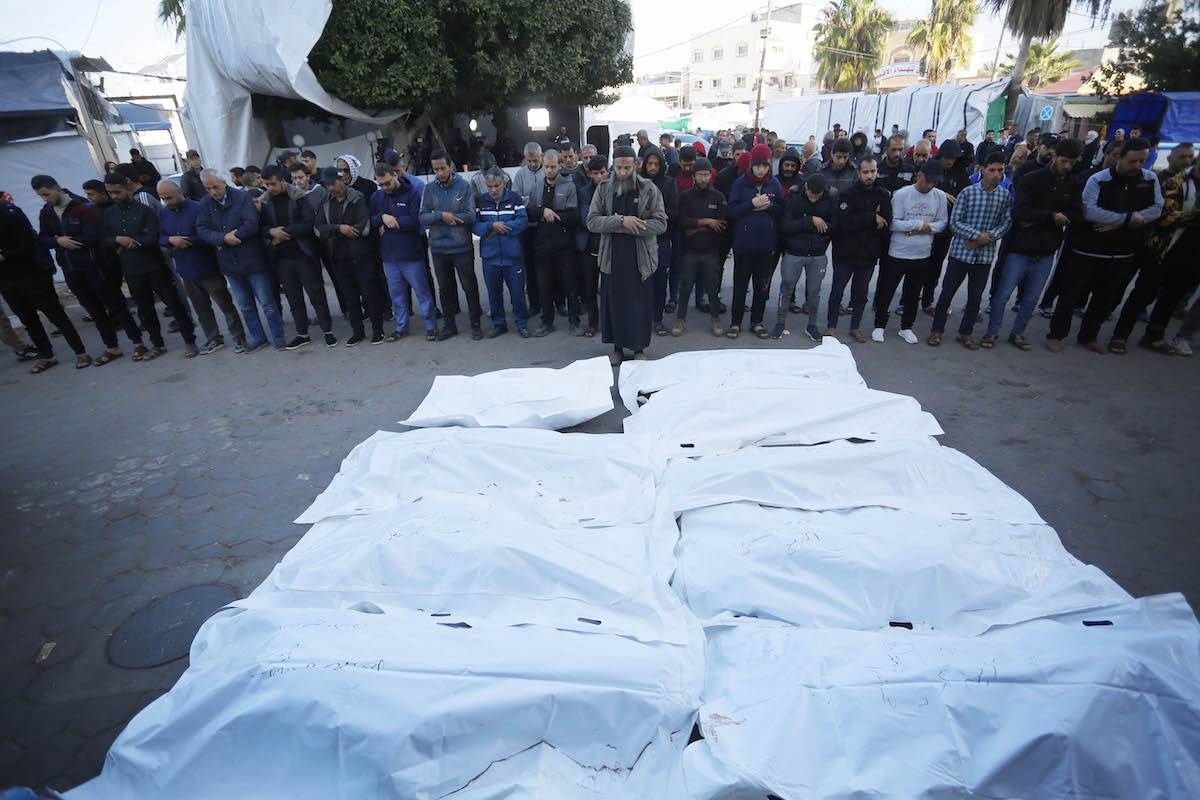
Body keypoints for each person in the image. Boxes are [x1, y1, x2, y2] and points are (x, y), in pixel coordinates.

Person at [1046, 138, 1162, 353]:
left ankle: (1089, 336)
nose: (1137, 166)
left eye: (1142, 161)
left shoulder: (1149, 180)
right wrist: (1128, 220)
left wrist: (1117, 223)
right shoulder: (1098, 180)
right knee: (1071, 295)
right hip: (1087, 249)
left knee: (1104, 297)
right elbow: (1090, 211)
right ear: (1119, 158)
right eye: (1133, 161)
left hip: (1122, 252)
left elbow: (1156, 209)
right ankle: (1057, 334)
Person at [31, 175, 141, 365]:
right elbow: (43, 238)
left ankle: (138, 342)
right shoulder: (46, 212)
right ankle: (112, 347)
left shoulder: (82, 207)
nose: (45, 199)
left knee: (115, 305)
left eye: (47, 194)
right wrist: (58, 240)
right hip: (70, 269)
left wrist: (70, 240)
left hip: (94, 266)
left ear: (57, 188)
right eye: (41, 196)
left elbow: (95, 237)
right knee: (94, 310)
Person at [982, 138, 1081, 350]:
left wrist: (1044, 218)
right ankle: (992, 332)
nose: (1067, 166)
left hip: (1046, 251)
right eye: (1064, 160)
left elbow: (1077, 212)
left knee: (1031, 298)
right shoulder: (1031, 178)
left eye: (1072, 162)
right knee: (1002, 295)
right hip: (1020, 248)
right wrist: (1052, 217)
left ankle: (1018, 333)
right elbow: (1019, 212)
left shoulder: (1072, 183)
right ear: (1054, 155)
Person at [1108, 144, 1195, 353]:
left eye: (1190, 156)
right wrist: (1194, 216)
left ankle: (1154, 336)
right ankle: (1119, 333)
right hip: (1157, 247)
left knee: (1171, 298)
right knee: (1140, 292)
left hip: (1189, 253)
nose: (1187, 160)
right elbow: (1164, 217)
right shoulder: (1173, 181)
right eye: (1183, 156)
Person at [102, 172, 198, 359]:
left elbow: (153, 237)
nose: (114, 196)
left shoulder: (145, 210)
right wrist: (117, 239)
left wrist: (132, 242)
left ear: (127, 187)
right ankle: (157, 344)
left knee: (174, 304)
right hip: (131, 269)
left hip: (154, 266)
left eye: (117, 192)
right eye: (110, 193)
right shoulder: (109, 214)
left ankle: (189, 340)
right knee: (144, 309)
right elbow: (104, 239)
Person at [586, 145, 667, 364]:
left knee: (639, 306)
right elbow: (592, 221)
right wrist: (621, 221)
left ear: (635, 166)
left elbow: (661, 224)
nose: (622, 172)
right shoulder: (603, 189)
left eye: (627, 168)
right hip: (612, 258)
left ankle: (639, 348)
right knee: (615, 305)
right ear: (613, 166)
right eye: (619, 167)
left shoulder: (649, 189)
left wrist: (634, 225)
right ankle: (618, 348)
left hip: (640, 258)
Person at [928, 152, 1012, 349]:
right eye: (992, 170)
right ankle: (937, 331)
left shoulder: (1005, 196)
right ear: (982, 169)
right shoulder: (968, 193)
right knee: (946, 295)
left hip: (984, 257)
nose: (996, 175)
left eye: (1000, 171)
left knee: (975, 298)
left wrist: (987, 238)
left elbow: (1006, 223)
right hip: (960, 253)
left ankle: (965, 333)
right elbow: (955, 223)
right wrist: (977, 236)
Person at [196, 169, 286, 352]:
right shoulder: (205, 204)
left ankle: (278, 336)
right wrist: (222, 239)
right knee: (245, 305)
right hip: (229, 264)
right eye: (208, 188)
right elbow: (202, 229)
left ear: (224, 182)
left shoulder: (242, 197)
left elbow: (251, 223)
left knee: (267, 302)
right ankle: (258, 337)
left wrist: (234, 236)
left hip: (252, 259)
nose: (213, 191)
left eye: (216, 186)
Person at [0, 196, 90, 373]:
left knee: (55, 314)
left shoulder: (9, 214)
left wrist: (5, 255)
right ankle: (46, 355)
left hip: (31, 274)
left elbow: (29, 244)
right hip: (6, 280)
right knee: (28, 319)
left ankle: (80, 352)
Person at [157, 179, 247, 355]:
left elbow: (211, 234)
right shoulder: (164, 214)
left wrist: (188, 240)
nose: (167, 201)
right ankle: (213, 338)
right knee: (201, 308)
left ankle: (239, 337)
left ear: (179, 192)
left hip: (208, 265)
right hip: (185, 269)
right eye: (163, 198)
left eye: (169, 197)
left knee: (225, 304)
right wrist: (170, 240)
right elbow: (160, 236)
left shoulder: (199, 208)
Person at [260, 165, 335, 349]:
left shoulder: (299, 197)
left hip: (304, 255)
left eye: (273, 183)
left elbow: (309, 224)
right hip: (282, 259)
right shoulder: (265, 202)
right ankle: (302, 334)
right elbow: (261, 227)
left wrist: (282, 232)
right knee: (294, 300)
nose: (270, 187)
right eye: (267, 184)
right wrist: (271, 232)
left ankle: (328, 331)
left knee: (317, 295)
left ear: (282, 181)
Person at [872, 161, 946, 344]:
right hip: (897, 252)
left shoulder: (940, 196)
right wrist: (919, 225)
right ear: (919, 176)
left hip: (922, 253)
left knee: (913, 293)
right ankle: (879, 325)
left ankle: (906, 327)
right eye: (928, 181)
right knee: (886, 290)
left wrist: (926, 228)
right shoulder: (902, 194)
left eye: (934, 182)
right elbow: (894, 222)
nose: (930, 185)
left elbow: (943, 222)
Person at [312, 166, 382, 345]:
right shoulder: (326, 202)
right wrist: (340, 228)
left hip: (361, 256)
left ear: (341, 179)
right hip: (339, 258)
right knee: (350, 298)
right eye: (327, 185)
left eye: (333, 183)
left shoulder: (357, 197)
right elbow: (319, 229)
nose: (331, 188)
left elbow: (362, 227)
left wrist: (334, 230)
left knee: (370, 295)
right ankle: (357, 332)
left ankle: (377, 331)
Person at [372, 162, 438, 342]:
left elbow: (416, 220)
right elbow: (371, 220)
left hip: (411, 254)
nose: (385, 187)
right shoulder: (377, 197)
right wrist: (383, 218)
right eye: (381, 184)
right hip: (389, 256)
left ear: (395, 175)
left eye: (387, 182)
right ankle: (401, 328)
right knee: (397, 296)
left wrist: (395, 223)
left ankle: (431, 326)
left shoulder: (413, 193)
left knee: (422, 293)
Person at [420, 149, 482, 340]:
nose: (439, 173)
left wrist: (450, 218)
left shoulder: (464, 186)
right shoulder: (429, 189)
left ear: (451, 166)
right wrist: (440, 215)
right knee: (445, 289)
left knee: (469, 286)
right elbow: (422, 217)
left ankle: (476, 325)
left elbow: (471, 215)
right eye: (436, 169)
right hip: (438, 248)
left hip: (461, 246)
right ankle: (449, 326)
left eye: (443, 168)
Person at [827, 156, 890, 342]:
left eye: (872, 171)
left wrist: (866, 221)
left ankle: (855, 327)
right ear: (859, 173)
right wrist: (871, 218)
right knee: (837, 291)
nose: (869, 175)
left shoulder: (883, 195)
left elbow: (886, 222)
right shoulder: (847, 195)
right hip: (845, 253)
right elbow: (845, 223)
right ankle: (831, 326)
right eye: (865, 172)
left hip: (868, 254)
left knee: (861, 294)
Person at [726, 144, 784, 339]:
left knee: (761, 287)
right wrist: (751, 204)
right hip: (744, 245)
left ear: (769, 166)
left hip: (766, 245)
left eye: (764, 165)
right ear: (751, 165)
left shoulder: (774, 184)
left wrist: (768, 206)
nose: (761, 169)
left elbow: (781, 210)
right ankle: (735, 322)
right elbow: (731, 212)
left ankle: (757, 322)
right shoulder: (740, 184)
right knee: (740, 285)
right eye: (757, 165)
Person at [527, 149, 581, 336]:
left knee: (570, 284)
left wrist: (554, 215)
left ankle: (575, 321)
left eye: (553, 166)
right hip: (542, 245)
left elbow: (574, 216)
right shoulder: (536, 188)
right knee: (544, 285)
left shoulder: (569, 186)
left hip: (564, 245)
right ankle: (546, 322)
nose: (549, 170)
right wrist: (542, 212)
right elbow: (529, 211)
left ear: (560, 165)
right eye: (547, 167)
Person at [473, 165, 531, 338]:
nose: (493, 189)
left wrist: (503, 227)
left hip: (513, 256)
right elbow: (475, 225)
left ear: (504, 183)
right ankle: (499, 324)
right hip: (490, 257)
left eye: (497, 185)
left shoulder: (514, 198)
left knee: (518, 293)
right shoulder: (481, 200)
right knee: (493, 293)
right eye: (490, 186)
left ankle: (521, 323)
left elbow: (522, 221)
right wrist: (491, 225)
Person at [776, 172, 835, 342]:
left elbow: (834, 226)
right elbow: (785, 225)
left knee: (814, 292)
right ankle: (780, 323)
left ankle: (812, 325)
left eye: (818, 196)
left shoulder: (830, 198)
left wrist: (815, 226)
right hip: (794, 251)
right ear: (806, 187)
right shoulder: (794, 197)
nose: (814, 199)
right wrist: (810, 220)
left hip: (817, 253)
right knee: (786, 287)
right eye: (811, 195)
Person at [674, 156, 726, 337]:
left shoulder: (718, 197)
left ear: (711, 175)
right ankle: (680, 319)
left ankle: (715, 318)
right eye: (700, 175)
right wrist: (706, 222)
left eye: (706, 174)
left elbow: (720, 225)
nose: (704, 178)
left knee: (712, 287)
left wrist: (695, 225)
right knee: (685, 287)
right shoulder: (685, 197)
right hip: (689, 251)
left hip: (711, 252)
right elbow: (681, 224)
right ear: (693, 176)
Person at [920, 140, 971, 315]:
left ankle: (927, 300)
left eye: (953, 158)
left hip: (946, 229)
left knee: (935, 266)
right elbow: (921, 188)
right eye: (947, 158)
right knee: (917, 265)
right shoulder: (931, 167)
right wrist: (942, 194)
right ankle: (907, 300)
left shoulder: (960, 173)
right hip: (926, 225)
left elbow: (966, 194)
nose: (950, 161)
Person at [637, 147, 677, 337]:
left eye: (656, 164)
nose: (652, 167)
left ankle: (658, 319)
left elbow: (673, 213)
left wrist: (649, 223)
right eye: (649, 163)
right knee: (641, 281)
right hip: (639, 240)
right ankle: (641, 318)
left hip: (661, 240)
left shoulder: (669, 183)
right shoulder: (637, 182)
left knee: (660, 280)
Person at [512, 142, 544, 316]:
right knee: (529, 267)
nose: (533, 164)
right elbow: (517, 199)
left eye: (536, 160)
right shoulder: (520, 175)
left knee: (548, 266)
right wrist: (533, 202)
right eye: (529, 160)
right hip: (526, 228)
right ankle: (534, 304)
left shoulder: (548, 170)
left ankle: (557, 302)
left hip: (545, 227)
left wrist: (529, 200)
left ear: (541, 156)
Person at [578, 155, 608, 337]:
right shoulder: (584, 192)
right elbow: (587, 220)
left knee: (609, 290)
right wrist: (607, 221)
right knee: (589, 288)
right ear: (589, 174)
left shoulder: (615, 190)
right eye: (595, 173)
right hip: (589, 246)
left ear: (608, 171)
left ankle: (609, 322)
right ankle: (593, 322)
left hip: (609, 246)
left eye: (602, 173)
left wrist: (603, 221)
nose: (599, 177)